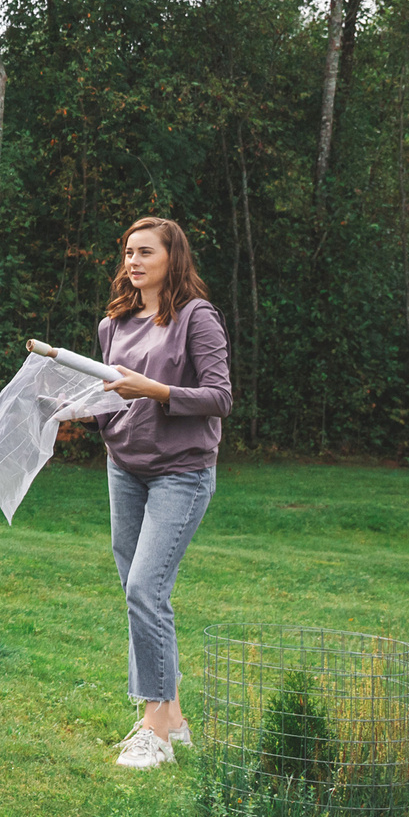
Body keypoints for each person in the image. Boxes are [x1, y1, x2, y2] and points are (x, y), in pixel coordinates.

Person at [92, 215, 232, 771]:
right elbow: (112, 397)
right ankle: (172, 716)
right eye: (128, 252)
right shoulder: (114, 324)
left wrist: (153, 389)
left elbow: (219, 398)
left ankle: (155, 732)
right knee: (140, 589)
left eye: (145, 251)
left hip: (182, 470)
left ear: (172, 258)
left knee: (145, 589)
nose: (133, 261)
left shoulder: (198, 318)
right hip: (124, 466)